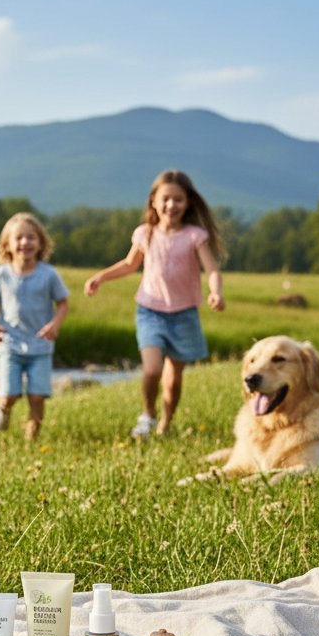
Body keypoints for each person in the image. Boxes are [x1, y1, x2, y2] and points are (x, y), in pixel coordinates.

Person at [84, 169, 226, 438]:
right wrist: (100, 278)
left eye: (179, 200)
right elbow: (129, 264)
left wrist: (216, 292)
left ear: (188, 203)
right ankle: (148, 415)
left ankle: (166, 423)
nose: (171, 205)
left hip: (184, 314)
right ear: (153, 201)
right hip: (150, 311)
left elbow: (213, 270)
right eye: (166, 199)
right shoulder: (145, 234)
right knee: (152, 370)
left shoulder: (195, 236)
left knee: (173, 381)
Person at [0, 212, 69, 442]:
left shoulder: (49, 274)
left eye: (31, 238)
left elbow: (63, 303)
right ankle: (4, 408)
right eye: (19, 238)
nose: (25, 243)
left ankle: (32, 437)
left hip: (40, 345)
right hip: (10, 343)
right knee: (9, 393)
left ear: (40, 243)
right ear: (7, 245)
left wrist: (55, 325)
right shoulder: (0, 274)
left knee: (37, 395)